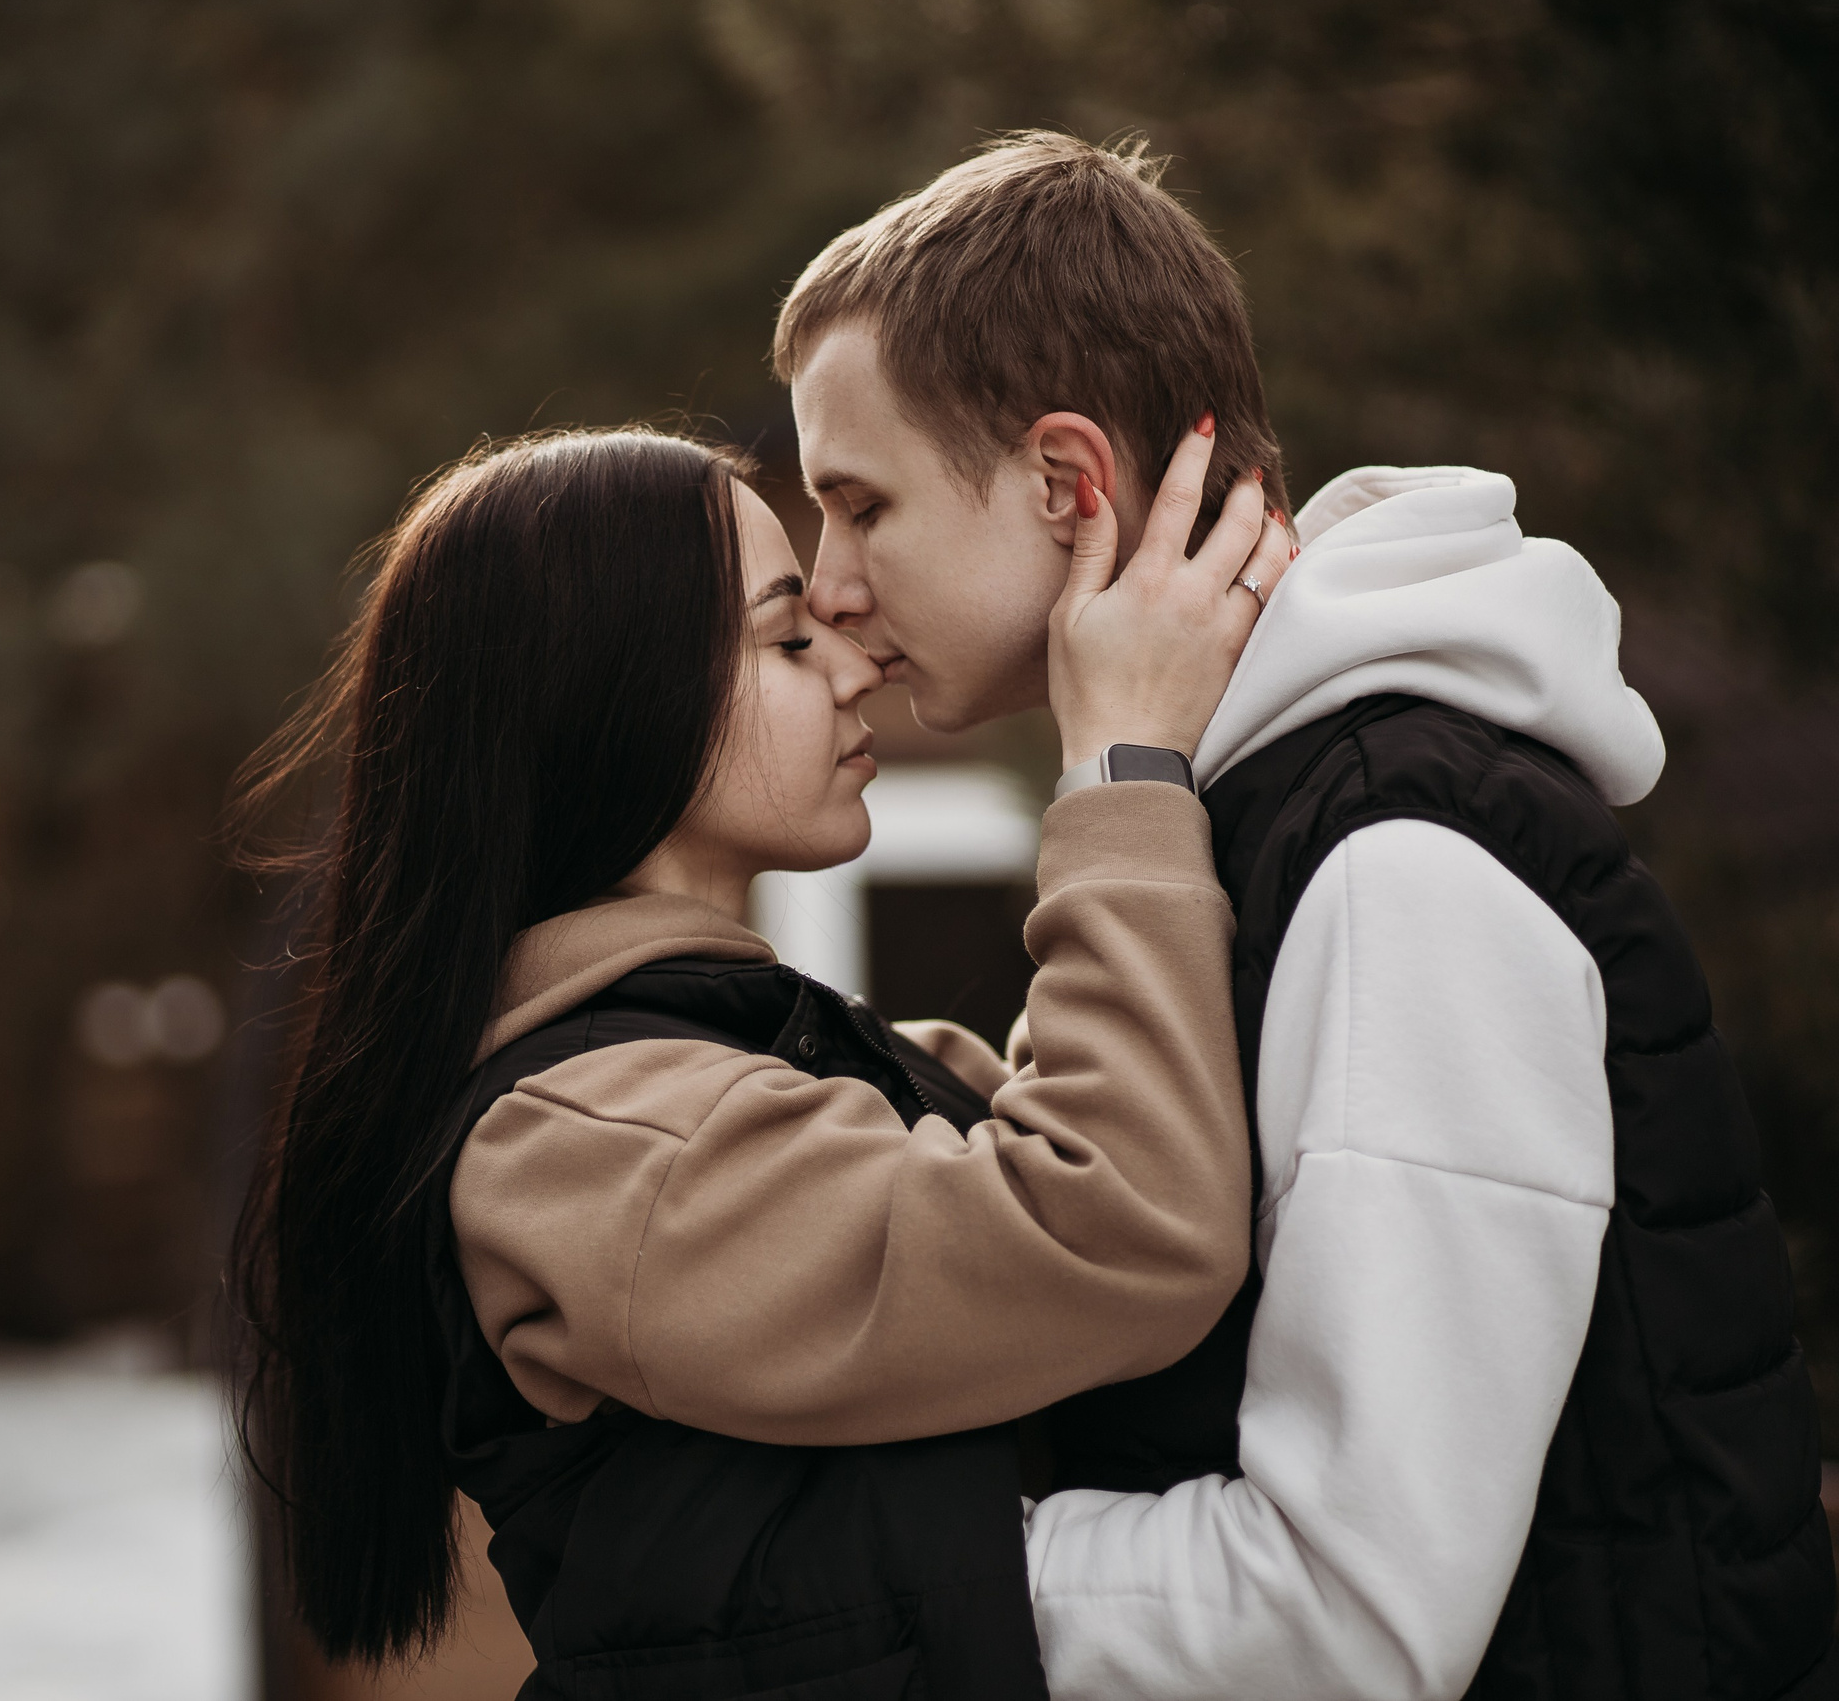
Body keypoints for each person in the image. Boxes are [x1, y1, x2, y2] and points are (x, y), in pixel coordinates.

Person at [776, 130, 1835, 1699]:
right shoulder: (1229, 820)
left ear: (1068, 483)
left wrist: (818, 1585)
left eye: (862, 504)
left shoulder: (1397, 859)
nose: (828, 584)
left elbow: (1354, 1609)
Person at [230, 421, 1290, 1694]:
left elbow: (1092, 1117)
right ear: (618, 704)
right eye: (788, 639)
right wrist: (1122, 764)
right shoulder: (594, 1147)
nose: (854, 664)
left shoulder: (733, 1070)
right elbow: (1120, 1220)